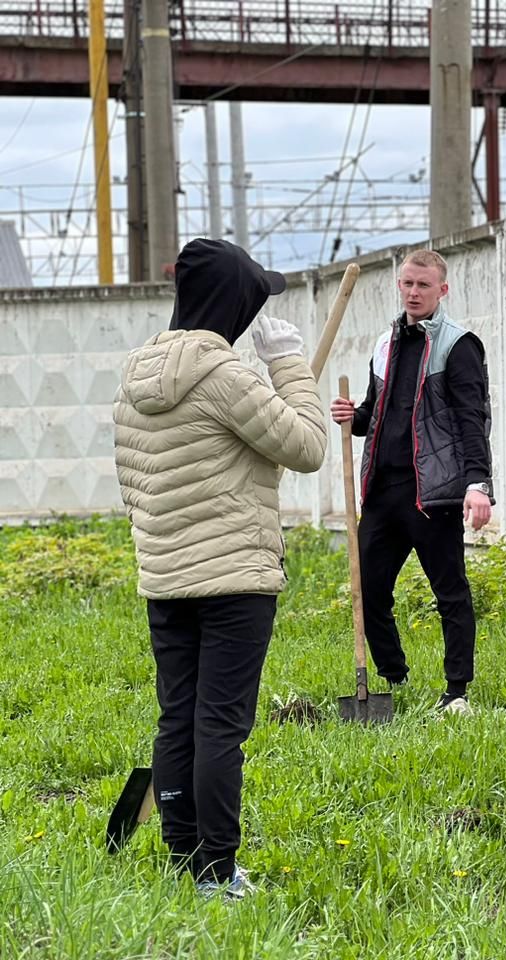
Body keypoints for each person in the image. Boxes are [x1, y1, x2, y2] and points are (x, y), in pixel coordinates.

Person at [113, 238, 327, 898]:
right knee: (221, 727)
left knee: (177, 716)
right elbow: (308, 446)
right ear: (234, 302)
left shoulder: (134, 375)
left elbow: (132, 484)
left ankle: (183, 854)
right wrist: (288, 364)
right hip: (234, 578)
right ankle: (216, 872)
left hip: (165, 574)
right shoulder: (225, 377)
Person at [330, 249, 493, 714]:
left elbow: (471, 420)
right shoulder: (384, 344)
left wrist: (478, 484)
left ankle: (456, 690)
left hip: (433, 494)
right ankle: (394, 676)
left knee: (450, 592)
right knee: (368, 586)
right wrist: (352, 417)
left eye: (423, 285)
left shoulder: (458, 345)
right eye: (407, 284)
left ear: (442, 290)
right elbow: (376, 414)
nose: (413, 292)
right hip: (383, 490)